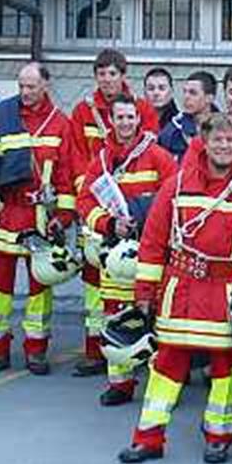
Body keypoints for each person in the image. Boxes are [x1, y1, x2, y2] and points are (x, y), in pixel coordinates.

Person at [117, 113, 232, 464]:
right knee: (166, 365)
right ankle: (148, 438)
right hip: (181, 289)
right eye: (217, 139)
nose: (224, 146)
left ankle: (219, 438)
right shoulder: (177, 184)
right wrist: (144, 293)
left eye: (230, 140)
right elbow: (153, 241)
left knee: (226, 368)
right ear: (204, 141)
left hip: (226, 293)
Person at [0, 62, 78, 375]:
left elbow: (66, 174)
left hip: (40, 216)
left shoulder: (60, 123)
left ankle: (36, 350)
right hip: (3, 212)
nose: (25, 92)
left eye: (31, 86)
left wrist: (63, 216)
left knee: (39, 286)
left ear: (46, 85)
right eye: (21, 86)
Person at [76, 93, 178, 406]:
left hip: (150, 252)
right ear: (111, 120)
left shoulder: (159, 156)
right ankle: (119, 384)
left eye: (130, 117)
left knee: (153, 317)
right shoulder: (102, 159)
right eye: (119, 117)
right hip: (115, 252)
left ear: (138, 119)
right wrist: (109, 224)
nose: (125, 123)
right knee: (114, 317)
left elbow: (175, 197)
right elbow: (84, 202)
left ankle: (157, 386)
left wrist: (150, 222)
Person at [70, 49, 160, 378]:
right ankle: (109, 368)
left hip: (144, 239)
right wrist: (105, 221)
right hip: (107, 230)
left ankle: (149, 367)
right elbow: (79, 173)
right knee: (103, 297)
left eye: (113, 73)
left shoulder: (155, 148)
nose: (107, 79)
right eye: (102, 73)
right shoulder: (87, 121)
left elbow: (168, 193)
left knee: (147, 302)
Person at [157, 71, 218, 161]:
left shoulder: (225, 127)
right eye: (184, 92)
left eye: (193, 93)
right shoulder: (172, 130)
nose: (186, 97)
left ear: (209, 98)